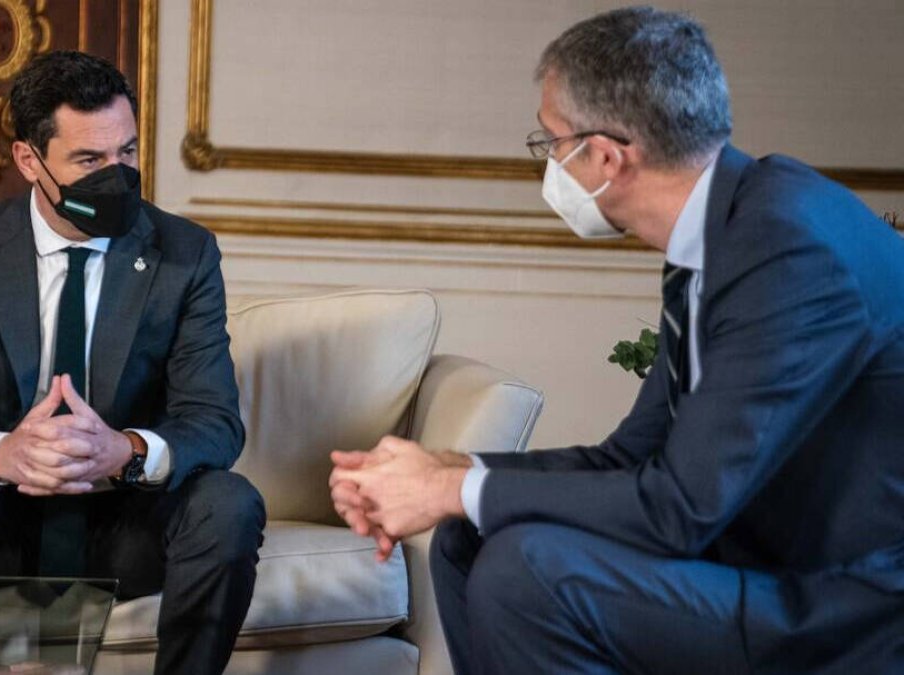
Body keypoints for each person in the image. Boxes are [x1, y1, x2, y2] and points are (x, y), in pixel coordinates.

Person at [330, 7, 904, 674]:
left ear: (605, 154)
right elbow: (632, 456)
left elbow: (681, 507)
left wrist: (451, 487)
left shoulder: (786, 249)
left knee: (526, 572)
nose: (548, 164)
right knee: (471, 536)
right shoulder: (724, 229)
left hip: (842, 604)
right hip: (749, 556)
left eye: (551, 142)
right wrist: (451, 473)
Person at [0, 50, 265, 675]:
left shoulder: (185, 253)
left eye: (128, 152)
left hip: (120, 525)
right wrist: (3, 454)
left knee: (229, 503)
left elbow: (216, 423)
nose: (116, 175)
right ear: (28, 161)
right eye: (90, 160)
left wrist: (125, 451)